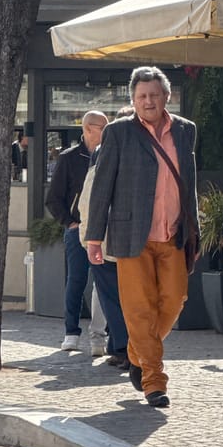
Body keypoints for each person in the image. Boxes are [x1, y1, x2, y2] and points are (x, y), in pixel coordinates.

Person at [85, 66, 198, 408]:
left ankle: (136, 352)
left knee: (174, 300)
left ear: (166, 96)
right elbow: (102, 186)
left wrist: (193, 225)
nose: (148, 101)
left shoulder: (186, 130)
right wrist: (94, 237)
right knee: (138, 311)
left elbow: (188, 180)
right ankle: (154, 380)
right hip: (130, 233)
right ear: (133, 100)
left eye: (153, 95)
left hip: (173, 233)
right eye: (141, 96)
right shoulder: (118, 132)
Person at [45, 111, 109, 354]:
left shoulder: (110, 155)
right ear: (89, 129)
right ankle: (71, 332)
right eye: (104, 126)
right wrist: (70, 223)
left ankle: (102, 334)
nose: (108, 130)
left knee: (105, 283)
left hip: (104, 230)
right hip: (78, 229)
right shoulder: (69, 158)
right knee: (76, 280)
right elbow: (53, 199)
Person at [78, 107, 133, 371]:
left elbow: (91, 200)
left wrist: (90, 238)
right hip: (121, 241)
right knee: (125, 298)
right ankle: (121, 348)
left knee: (113, 298)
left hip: (108, 241)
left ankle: (123, 349)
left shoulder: (103, 154)